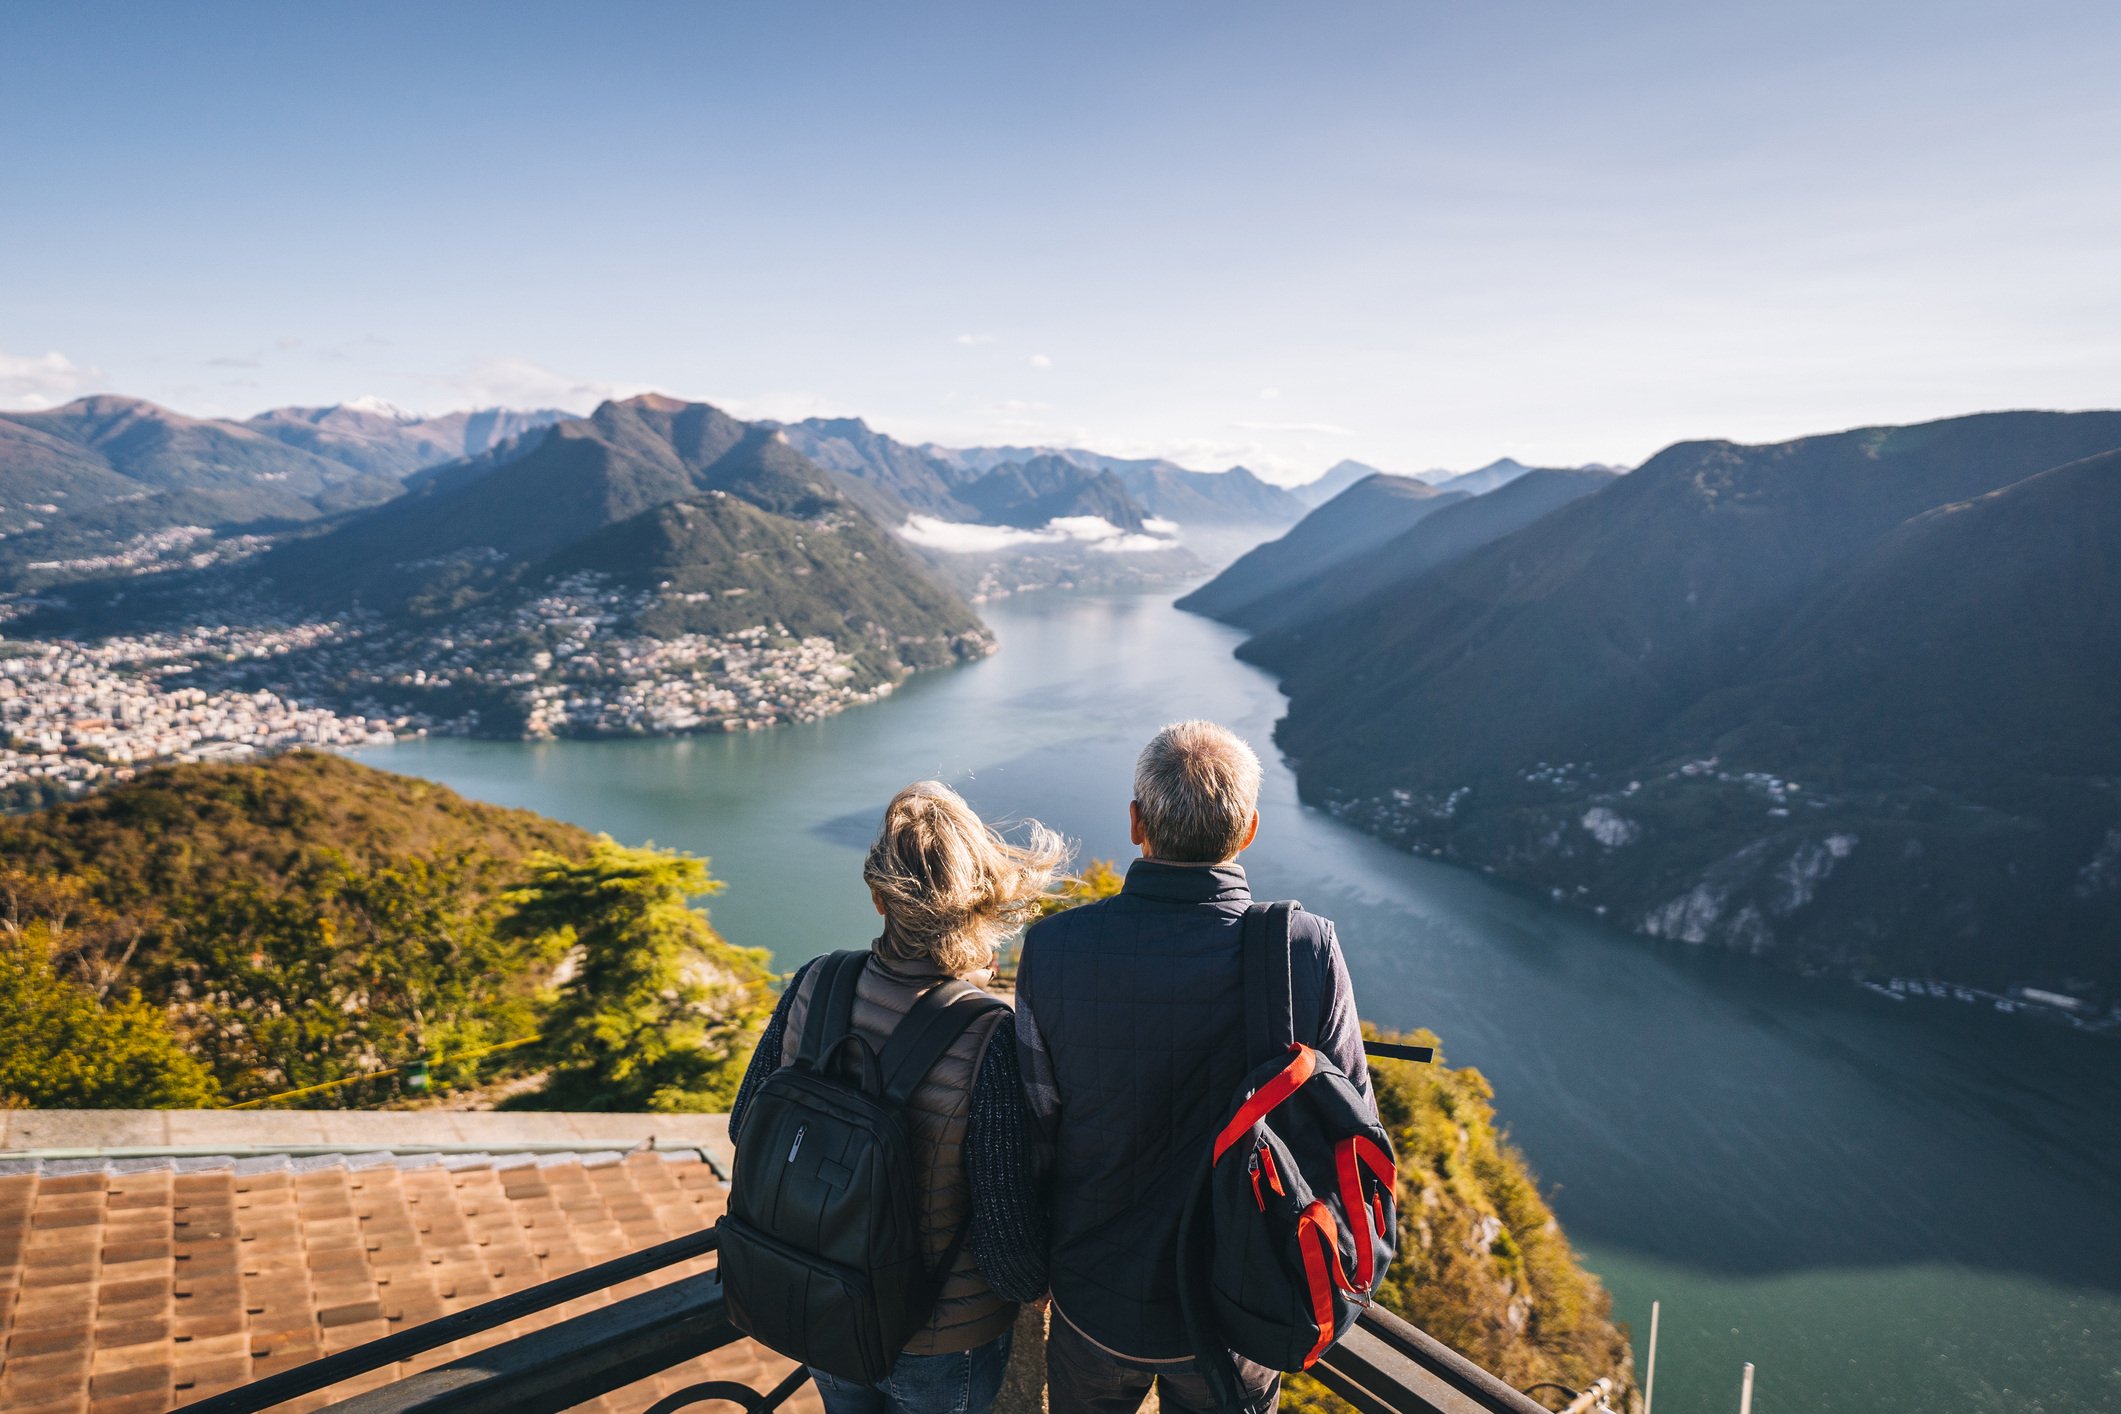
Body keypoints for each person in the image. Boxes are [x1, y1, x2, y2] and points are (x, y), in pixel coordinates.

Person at [1016, 721, 1370, 1414]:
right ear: (1248, 831)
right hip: (1238, 1307)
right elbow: (1349, 1123)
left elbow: (1036, 1127)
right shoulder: (1303, 949)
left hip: (1094, 1295)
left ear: (1135, 823)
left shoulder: (1055, 948)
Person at [730, 781, 1060, 1414]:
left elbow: (750, 1125)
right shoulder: (992, 1034)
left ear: (879, 898)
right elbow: (1002, 1221)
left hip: (821, 1301)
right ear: (983, 900)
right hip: (941, 1338)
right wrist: (1036, 1284)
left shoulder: (816, 981)